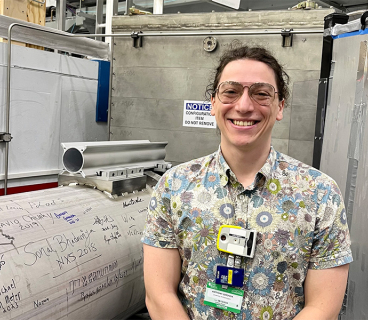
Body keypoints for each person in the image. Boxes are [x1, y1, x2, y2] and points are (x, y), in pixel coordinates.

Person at [141, 45, 352, 320]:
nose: (243, 105)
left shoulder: (320, 193)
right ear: (213, 103)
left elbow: (323, 307)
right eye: (230, 92)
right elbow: (159, 295)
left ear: (280, 107)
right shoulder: (174, 187)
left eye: (261, 94)